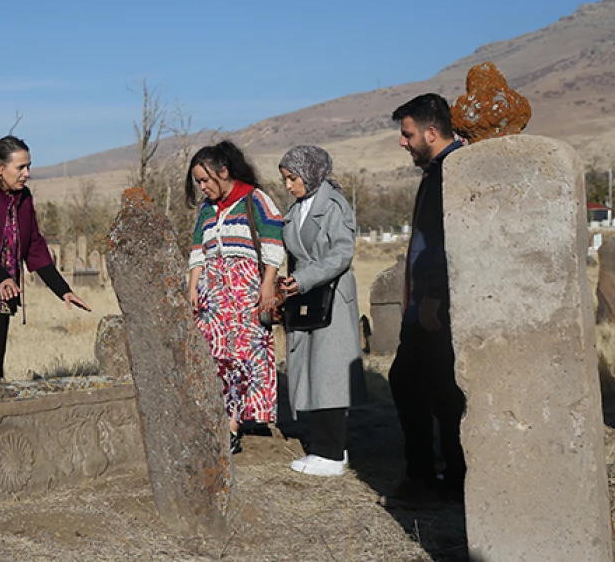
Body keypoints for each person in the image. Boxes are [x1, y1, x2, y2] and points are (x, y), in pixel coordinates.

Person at [0, 135, 90, 401]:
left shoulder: (23, 199)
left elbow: (34, 246)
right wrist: (0, 278)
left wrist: (63, 290)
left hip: (5, 295)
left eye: (28, 166)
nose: (27, 174)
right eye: (21, 168)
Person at [383, 93, 466, 506]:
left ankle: (439, 478)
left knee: (435, 390)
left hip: (437, 307)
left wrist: (433, 294)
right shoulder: (437, 171)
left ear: (431, 133)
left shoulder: (453, 172)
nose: (403, 142)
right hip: (423, 305)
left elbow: (446, 241)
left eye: (408, 133)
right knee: (423, 386)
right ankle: (439, 475)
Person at [186, 140, 284, 454]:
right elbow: (198, 251)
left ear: (224, 171)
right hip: (213, 294)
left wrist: (267, 286)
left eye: (205, 179)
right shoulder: (206, 209)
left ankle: (232, 426)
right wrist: (193, 287)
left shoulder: (256, 199)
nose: (202, 187)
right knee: (215, 358)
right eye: (198, 181)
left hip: (247, 290)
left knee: (245, 356)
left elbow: (273, 245)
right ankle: (220, 420)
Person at [278, 145, 367, 477]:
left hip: (330, 296)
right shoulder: (299, 207)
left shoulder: (333, 204)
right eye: (286, 179)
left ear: (311, 173)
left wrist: (302, 279)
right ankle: (329, 448)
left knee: (327, 372)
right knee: (312, 369)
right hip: (305, 296)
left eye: (292, 178)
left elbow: (342, 253)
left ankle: (329, 454)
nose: (288, 185)